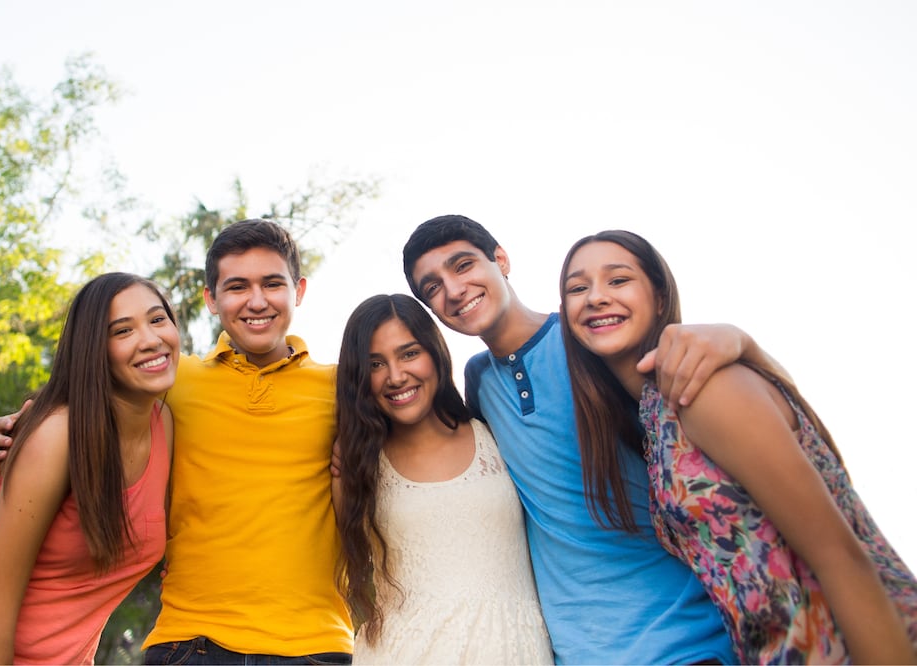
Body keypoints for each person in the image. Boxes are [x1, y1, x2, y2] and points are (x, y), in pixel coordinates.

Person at [401, 214, 767, 664]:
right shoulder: (478, 379)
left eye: (462, 266)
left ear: (501, 259)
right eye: (432, 287)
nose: (453, 290)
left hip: (682, 642)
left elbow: (726, 410)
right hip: (575, 652)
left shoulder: (595, 339)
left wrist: (741, 342)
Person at [0, 219, 353, 664]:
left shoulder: (343, 389)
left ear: (299, 291)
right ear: (211, 300)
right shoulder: (173, 383)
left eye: (272, 284)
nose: (257, 301)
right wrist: (10, 426)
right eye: (236, 287)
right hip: (189, 642)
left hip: (314, 646)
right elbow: (86, 397)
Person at [558, 229, 917, 664]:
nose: (595, 297)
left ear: (658, 295)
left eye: (618, 280)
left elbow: (841, 557)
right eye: (578, 288)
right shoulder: (652, 417)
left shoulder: (705, 390)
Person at [0, 272, 178, 664]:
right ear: (94, 350)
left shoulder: (165, 424)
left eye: (158, 320)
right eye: (123, 331)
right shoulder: (58, 436)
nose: (150, 339)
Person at [333, 293, 552, 664]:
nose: (396, 375)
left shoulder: (493, 430)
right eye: (375, 363)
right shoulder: (356, 466)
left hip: (517, 650)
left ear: (435, 352)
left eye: (409, 353)